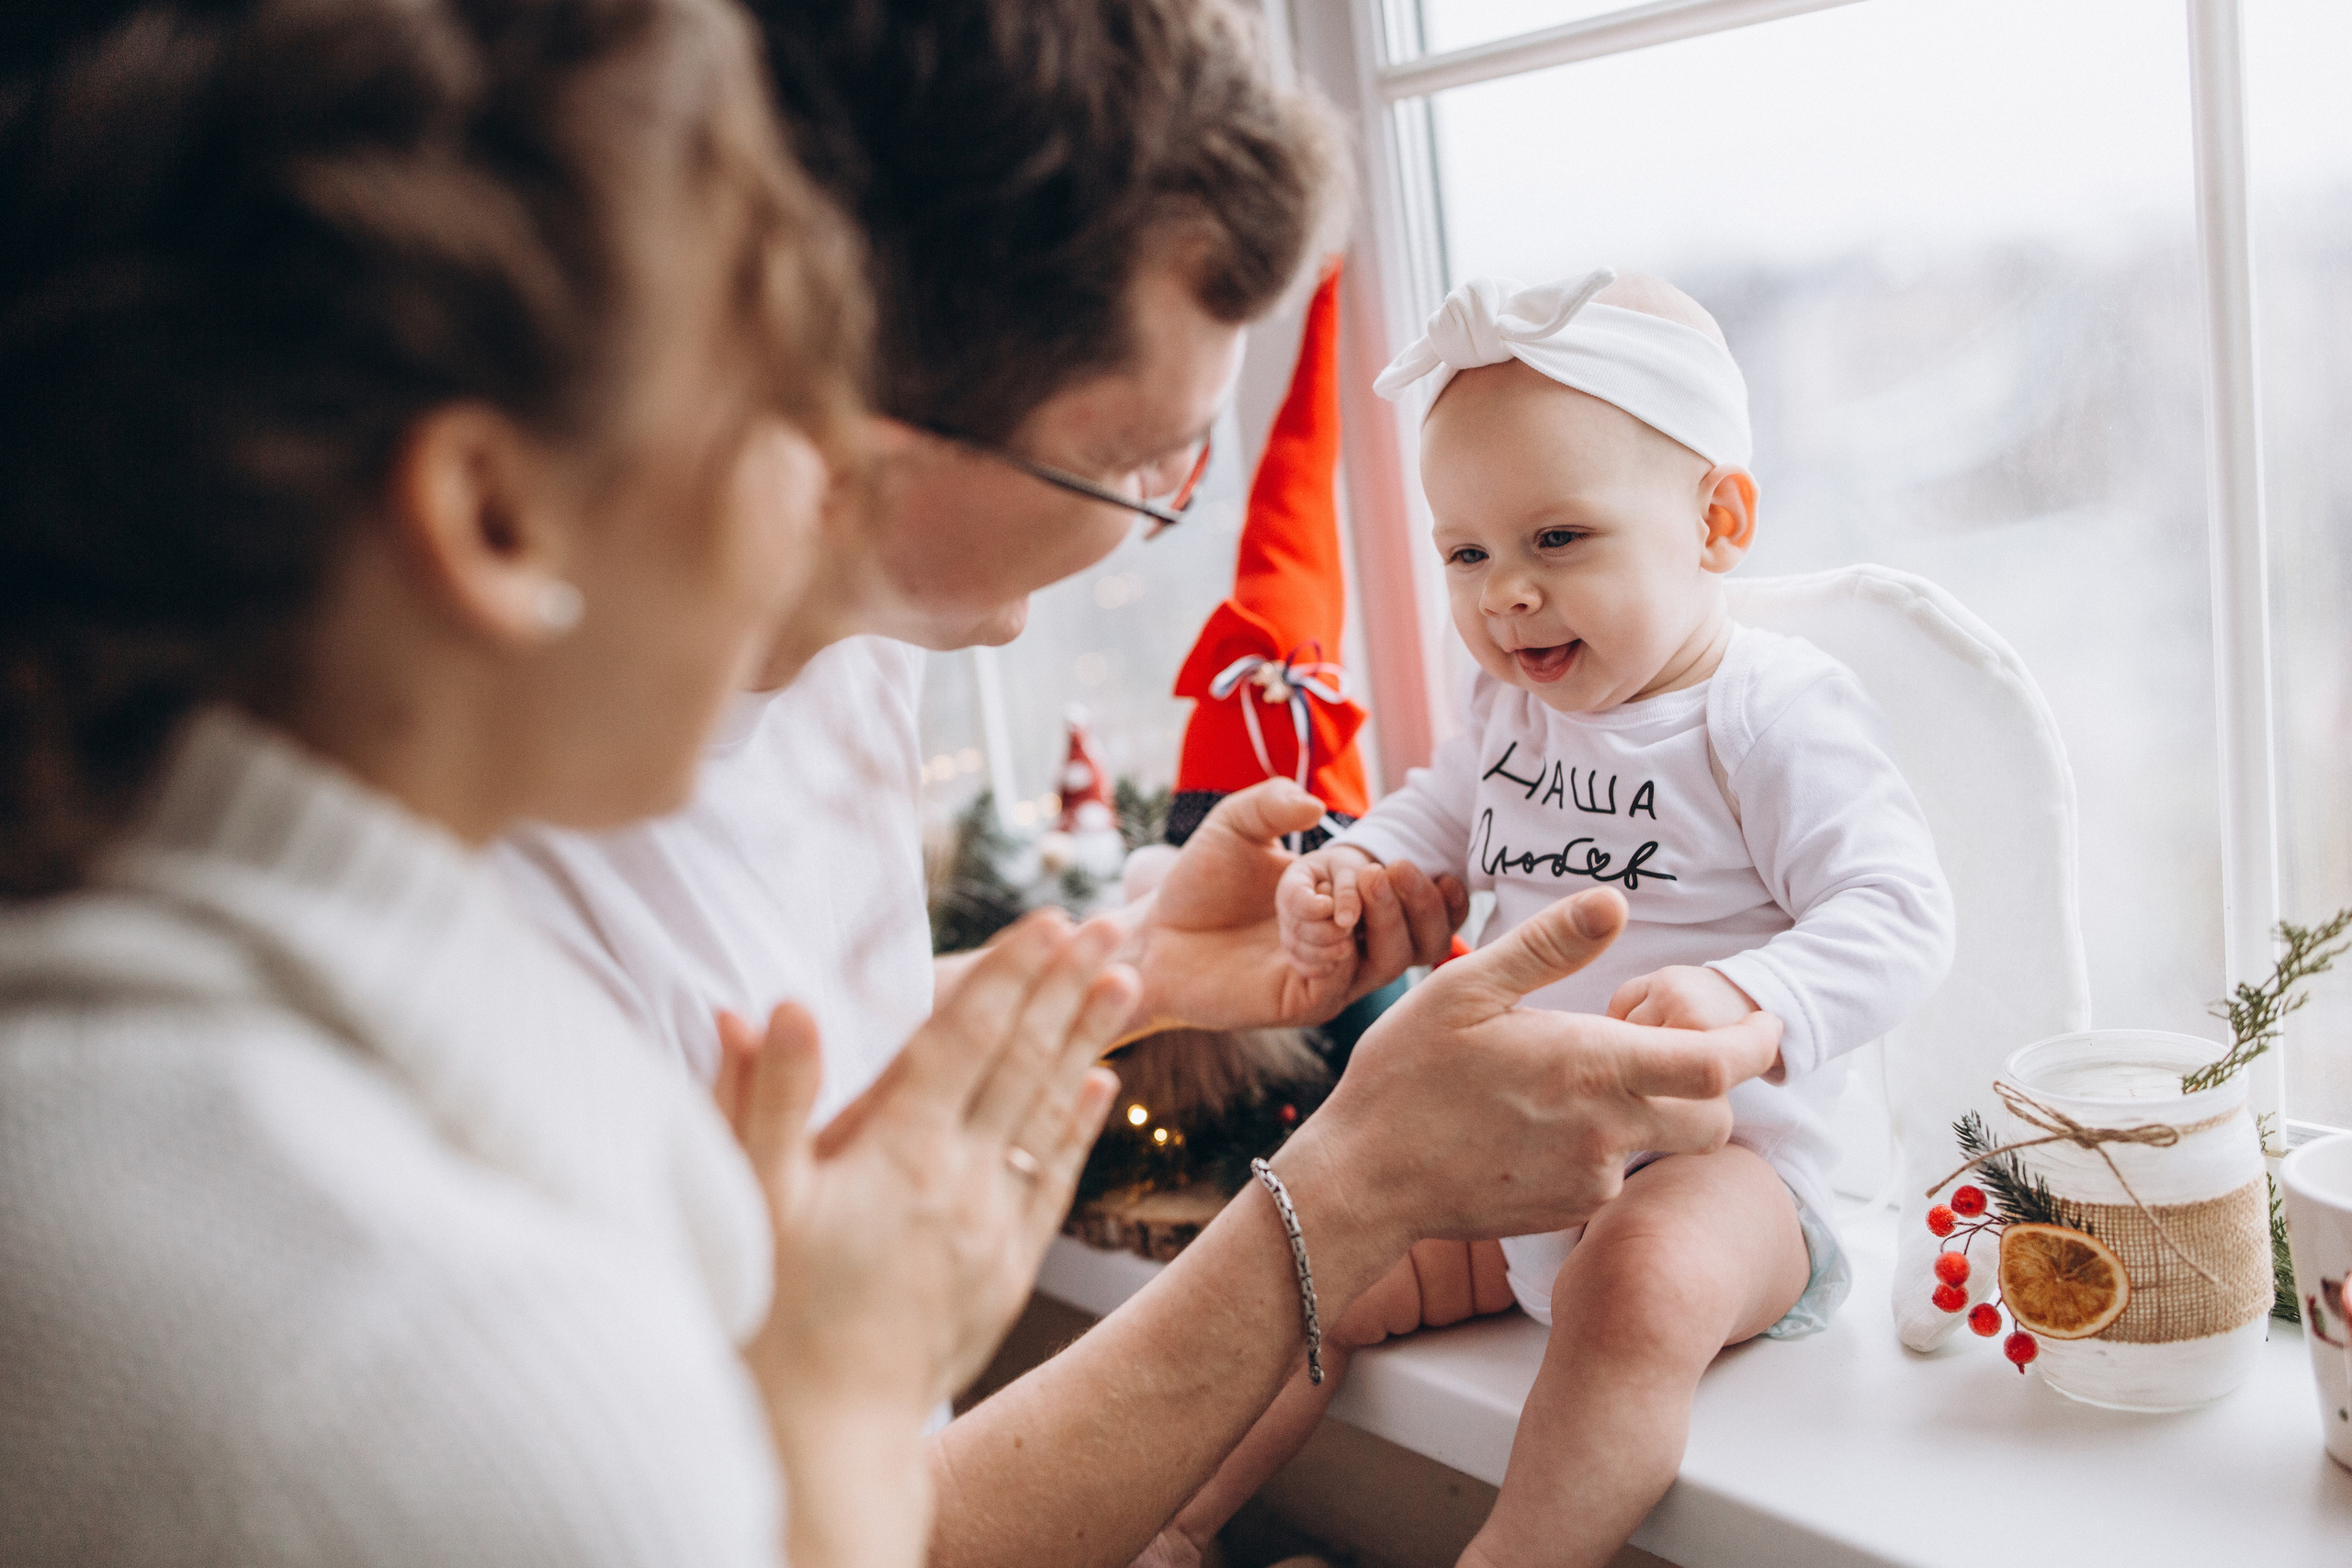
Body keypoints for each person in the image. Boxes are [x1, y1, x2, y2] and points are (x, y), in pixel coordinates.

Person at [497, 6, 1795, 1567]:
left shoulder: (847, 643)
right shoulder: (489, 913)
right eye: (1137, 462)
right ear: (846, 421)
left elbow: (747, 1053)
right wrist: (1361, 1179)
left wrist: (1150, 972)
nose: (1150, 521)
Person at [0, 5, 1133, 1566]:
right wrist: (844, 1407)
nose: (838, 487)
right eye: (778, 392)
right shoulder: (423, 1363)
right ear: (493, 513)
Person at [1250, 271, 1956, 1567]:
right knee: (1318, 1257)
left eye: (1556, 540)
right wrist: (1350, 877)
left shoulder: (1768, 711)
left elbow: (1901, 911)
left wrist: (1751, 1004)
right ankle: (1171, 1528)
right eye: (1465, 553)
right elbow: (1426, 822)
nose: (1504, 594)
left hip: (1727, 1178)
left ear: (1718, 521)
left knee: (1633, 1287)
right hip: (1516, 1166)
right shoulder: (1508, 714)